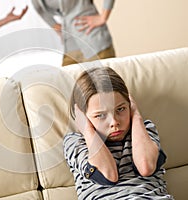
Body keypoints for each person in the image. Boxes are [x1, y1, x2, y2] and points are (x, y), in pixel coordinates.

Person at [63, 67, 174, 199]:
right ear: (83, 117)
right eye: (100, 115)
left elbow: (146, 167)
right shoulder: (76, 142)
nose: (114, 122)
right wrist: (87, 131)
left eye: (120, 109)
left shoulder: (144, 130)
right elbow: (108, 175)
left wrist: (137, 117)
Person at [31, 0, 116, 66]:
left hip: (93, 40)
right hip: (70, 46)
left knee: (105, 86)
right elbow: (39, 8)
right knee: (66, 84)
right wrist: (55, 26)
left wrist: (103, 17)